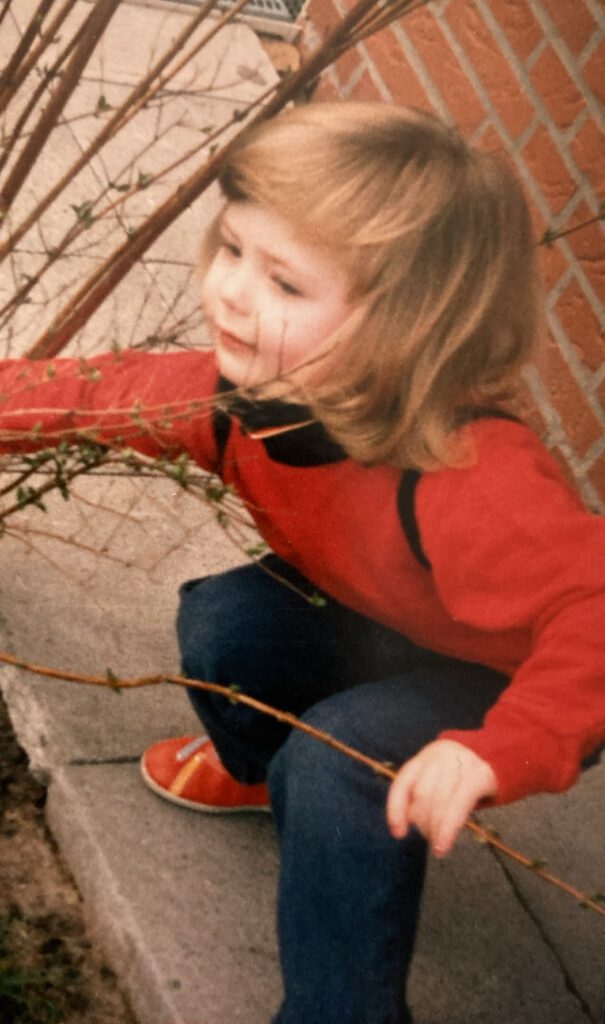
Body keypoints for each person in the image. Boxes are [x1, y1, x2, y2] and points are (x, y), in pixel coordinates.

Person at [0, 102, 603, 1024]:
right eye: (232, 248)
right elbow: (92, 396)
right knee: (223, 622)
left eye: (284, 282)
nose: (232, 292)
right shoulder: (244, 398)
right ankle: (256, 769)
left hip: (524, 675)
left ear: (405, 324)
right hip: (394, 617)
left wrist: (500, 747)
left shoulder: (469, 475)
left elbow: (593, 609)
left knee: (338, 760)